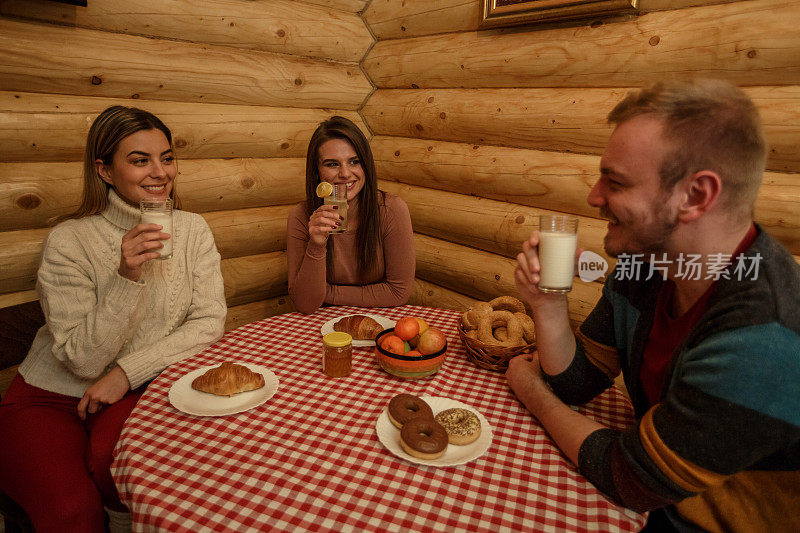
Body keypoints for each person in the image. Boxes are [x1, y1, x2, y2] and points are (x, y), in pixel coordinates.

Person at [507, 79, 800, 532]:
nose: (594, 196)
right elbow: (576, 381)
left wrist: (531, 391)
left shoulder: (764, 334)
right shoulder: (648, 265)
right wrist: (547, 306)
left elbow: (630, 477)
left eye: (615, 181)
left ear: (695, 196)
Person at [0, 106, 227, 532]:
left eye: (167, 157)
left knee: (128, 482)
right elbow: (82, 362)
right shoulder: (70, 239)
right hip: (49, 394)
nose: (160, 172)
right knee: (71, 512)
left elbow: (209, 322)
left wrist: (126, 373)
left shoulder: (193, 230)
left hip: (129, 389)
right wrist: (126, 276)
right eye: (140, 160)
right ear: (104, 171)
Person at [287, 116, 415, 314]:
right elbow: (305, 304)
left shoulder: (392, 209)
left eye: (354, 161)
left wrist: (328, 292)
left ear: (366, 166)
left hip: (379, 319)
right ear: (316, 172)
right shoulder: (301, 216)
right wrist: (317, 244)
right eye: (332, 164)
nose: (346, 173)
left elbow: (398, 292)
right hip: (319, 322)